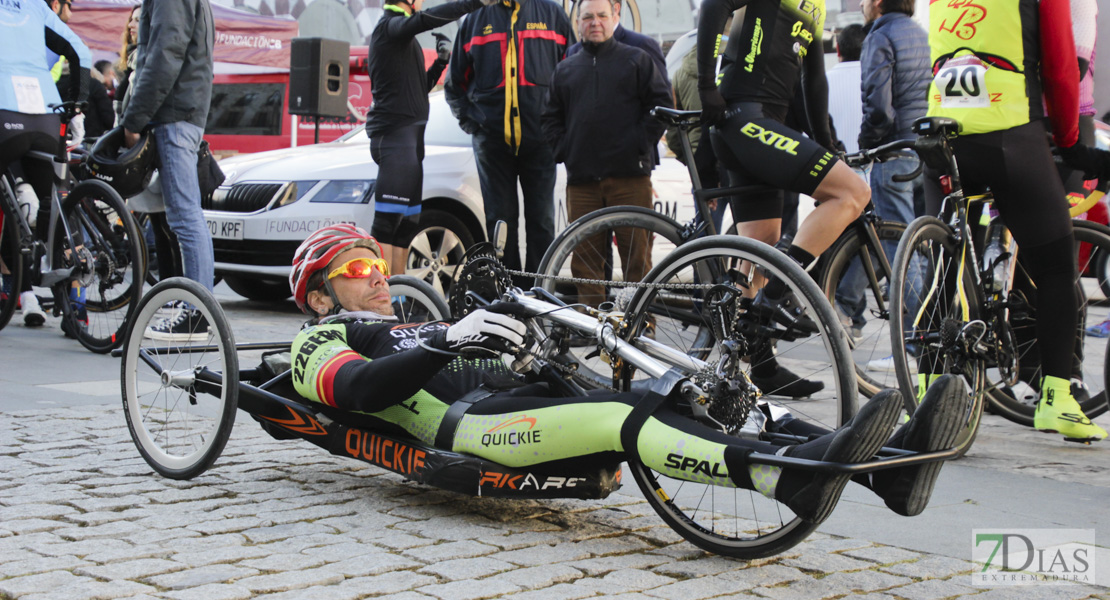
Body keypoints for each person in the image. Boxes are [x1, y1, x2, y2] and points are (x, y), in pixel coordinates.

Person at [288, 223, 965, 525]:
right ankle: (787, 478)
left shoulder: (419, 319)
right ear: (319, 295)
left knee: (682, 393)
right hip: (470, 429)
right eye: (355, 271)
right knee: (623, 419)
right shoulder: (323, 337)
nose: (376, 278)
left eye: (378, 264)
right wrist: (447, 344)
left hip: (518, 398)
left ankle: (892, 469)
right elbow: (358, 392)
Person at [929, 0, 1104, 442]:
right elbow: (1063, 70)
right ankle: (1057, 399)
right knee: (1056, 269)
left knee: (945, 264)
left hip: (942, 136)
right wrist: (1068, 143)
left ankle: (927, 389)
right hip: (1009, 135)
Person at [696, 0, 871, 396]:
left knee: (760, 242)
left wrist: (826, 145)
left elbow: (814, 82)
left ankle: (754, 366)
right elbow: (713, 6)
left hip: (756, 122)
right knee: (853, 192)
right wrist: (707, 85)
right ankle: (773, 298)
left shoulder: (816, 7)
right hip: (744, 115)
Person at [540, 0, 672, 306]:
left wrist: (640, 145)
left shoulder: (637, 60)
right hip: (582, 181)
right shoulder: (565, 68)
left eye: (601, 16)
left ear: (615, 17)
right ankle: (592, 327)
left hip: (630, 179)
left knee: (636, 259)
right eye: (587, 17)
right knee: (585, 262)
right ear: (578, 22)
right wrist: (565, 150)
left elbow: (662, 106)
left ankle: (640, 328)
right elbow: (549, 117)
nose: (594, 22)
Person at [445, 0, 575, 278]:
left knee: (542, 222)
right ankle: (508, 294)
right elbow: (454, 85)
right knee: (500, 225)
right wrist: (473, 123)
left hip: (541, 141)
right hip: (492, 146)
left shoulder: (553, 14)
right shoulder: (475, 18)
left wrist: (560, 128)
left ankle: (539, 293)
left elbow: (572, 74)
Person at [366, 0, 493, 275]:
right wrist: (474, 3)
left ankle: (397, 297)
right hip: (396, 139)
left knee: (406, 226)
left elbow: (415, 91)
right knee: (387, 224)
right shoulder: (389, 27)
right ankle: (379, 299)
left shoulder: (400, 37)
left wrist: (440, 64)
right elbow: (424, 19)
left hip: (411, 140)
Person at [121, 0, 216, 341]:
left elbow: (164, 54)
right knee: (185, 215)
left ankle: (198, 316)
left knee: (184, 216)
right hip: (183, 110)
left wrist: (134, 117)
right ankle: (199, 312)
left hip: (174, 114)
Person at [0, 0, 89, 328]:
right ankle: (73, 303)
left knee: (17, 203)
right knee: (58, 203)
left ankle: (20, 287)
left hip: (5, 115)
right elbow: (80, 49)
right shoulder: (36, 8)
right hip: (46, 116)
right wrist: (77, 106)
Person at [827, 25, 865, 156]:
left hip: (833, 168)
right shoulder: (882, 82)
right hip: (876, 167)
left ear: (837, 49)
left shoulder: (821, 83)